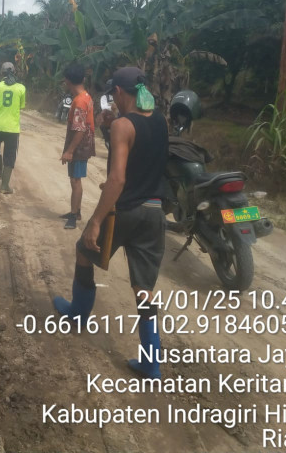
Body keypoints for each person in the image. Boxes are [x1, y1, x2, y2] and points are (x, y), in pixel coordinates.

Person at [53, 67, 168, 379]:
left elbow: (117, 179)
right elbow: (144, 159)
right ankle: (150, 363)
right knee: (143, 288)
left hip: (127, 211)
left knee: (83, 251)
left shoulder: (123, 125)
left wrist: (95, 222)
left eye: (112, 94)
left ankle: (77, 313)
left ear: (118, 92)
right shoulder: (159, 120)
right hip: (155, 212)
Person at [59, 64, 95, 230]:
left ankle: (74, 215)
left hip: (79, 145)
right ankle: (76, 211)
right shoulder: (86, 97)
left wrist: (69, 151)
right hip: (83, 143)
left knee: (75, 180)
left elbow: (79, 128)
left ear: (68, 81)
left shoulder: (80, 101)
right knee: (75, 178)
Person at [0, 61, 26, 194]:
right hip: (12, 129)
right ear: (14, 72)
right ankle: (4, 186)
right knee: (9, 156)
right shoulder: (21, 88)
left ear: (1, 73)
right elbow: (20, 106)